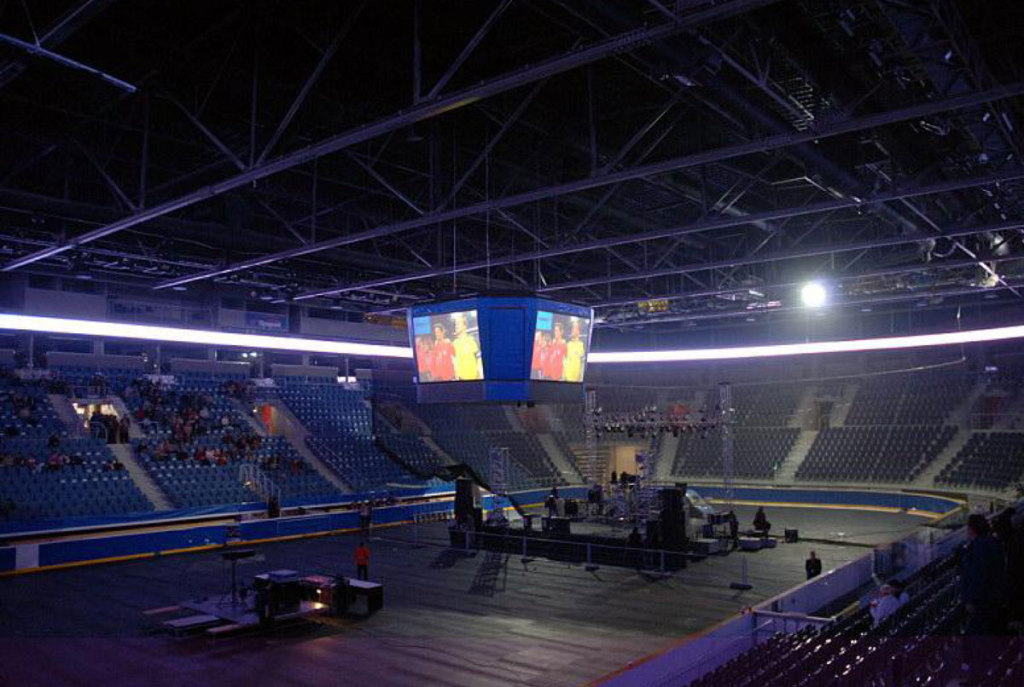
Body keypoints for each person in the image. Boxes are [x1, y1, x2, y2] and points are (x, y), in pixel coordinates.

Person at [960, 513, 1006, 685]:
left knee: (976, 640)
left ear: (972, 529)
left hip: (982, 602)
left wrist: (972, 599)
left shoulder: (979, 546)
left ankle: (978, 676)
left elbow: (978, 575)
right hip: (991, 600)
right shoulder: (992, 543)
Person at [452, 313, 482, 381]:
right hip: (461, 380)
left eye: (458, 323)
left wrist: (480, 375)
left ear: (465, 326)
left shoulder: (471, 340)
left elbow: (479, 358)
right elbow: (454, 361)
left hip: (474, 378)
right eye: (456, 324)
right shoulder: (454, 343)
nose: (456, 326)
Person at [563, 318, 586, 382]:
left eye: (575, 327)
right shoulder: (568, 344)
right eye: (572, 328)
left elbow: (583, 364)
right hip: (566, 380)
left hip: (576, 382)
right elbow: (564, 361)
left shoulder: (582, 345)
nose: (573, 330)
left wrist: (581, 379)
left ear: (579, 331)